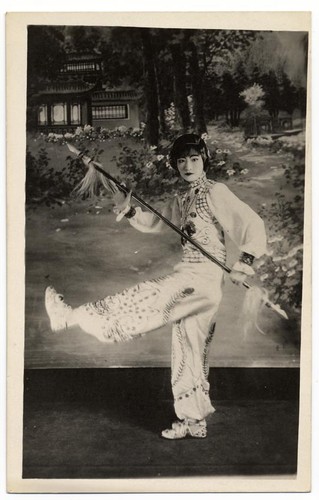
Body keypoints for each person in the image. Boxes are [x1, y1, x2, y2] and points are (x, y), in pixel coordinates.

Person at [45, 133, 267, 439]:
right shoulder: (183, 198)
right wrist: (132, 211)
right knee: (187, 348)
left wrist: (244, 263)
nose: (187, 166)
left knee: (145, 298)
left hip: (200, 280)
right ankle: (194, 421)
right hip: (194, 278)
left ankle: (71, 316)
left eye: (194, 158)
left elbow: (251, 223)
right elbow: (157, 222)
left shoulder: (216, 192)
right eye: (181, 160)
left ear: (204, 160)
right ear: (175, 165)